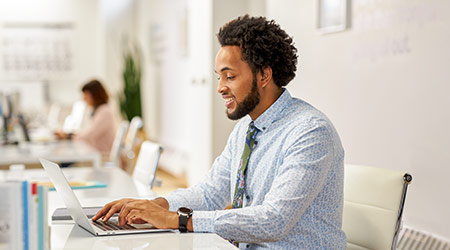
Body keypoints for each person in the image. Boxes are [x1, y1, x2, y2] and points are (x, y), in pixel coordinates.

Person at [93, 15, 346, 249]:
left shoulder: (310, 132)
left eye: (230, 77)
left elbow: (274, 220)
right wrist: (158, 205)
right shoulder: (245, 130)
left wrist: (178, 220)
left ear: (264, 75)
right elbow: (209, 192)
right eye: (219, 78)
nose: (220, 88)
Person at [55, 79, 117, 154]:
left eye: (86, 95)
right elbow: (86, 132)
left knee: (64, 160)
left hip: (102, 157)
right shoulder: (98, 110)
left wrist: (68, 137)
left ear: (95, 95)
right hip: (95, 153)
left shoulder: (105, 112)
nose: (84, 99)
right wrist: (68, 135)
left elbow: (88, 135)